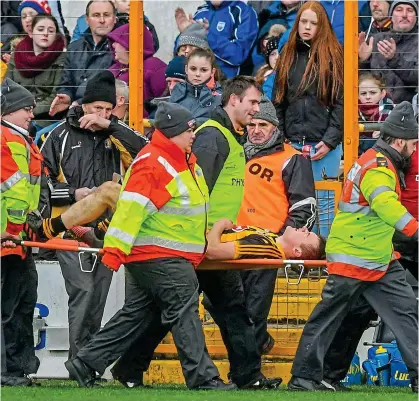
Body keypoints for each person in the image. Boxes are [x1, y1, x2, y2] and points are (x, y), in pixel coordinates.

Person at [63, 102, 235, 391]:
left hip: (158, 254)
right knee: (184, 310)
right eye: (188, 129)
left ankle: (85, 363)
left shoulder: (177, 162)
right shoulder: (156, 163)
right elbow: (131, 210)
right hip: (160, 255)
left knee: (136, 315)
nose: (194, 133)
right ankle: (203, 378)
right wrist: (114, 252)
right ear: (173, 133)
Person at [288, 101, 419, 393]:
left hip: (376, 256)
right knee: (330, 317)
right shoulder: (380, 169)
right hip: (357, 256)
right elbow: (385, 203)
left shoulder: (373, 159)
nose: (413, 150)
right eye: (412, 144)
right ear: (399, 141)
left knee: (405, 310)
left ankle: (313, 377)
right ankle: (305, 377)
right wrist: (414, 229)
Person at [40, 70, 147, 362]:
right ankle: (79, 359)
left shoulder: (116, 134)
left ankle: (85, 363)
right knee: (84, 291)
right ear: (85, 105)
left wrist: (111, 125)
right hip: (69, 229)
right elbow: (41, 181)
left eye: (109, 109)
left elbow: (147, 154)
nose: (102, 114)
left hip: (107, 230)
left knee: (97, 296)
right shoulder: (58, 135)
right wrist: (73, 194)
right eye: (98, 108)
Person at [231, 96, 317, 353]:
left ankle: (250, 367)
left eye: (263, 125)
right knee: (225, 303)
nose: (256, 131)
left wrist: (280, 241)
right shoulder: (236, 153)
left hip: (265, 246)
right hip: (231, 241)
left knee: (255, 308)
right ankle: (257, 345)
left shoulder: (292, 158)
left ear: (275, 128)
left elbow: (304, 206)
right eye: (252, 125)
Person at [273, 1, 344, 236]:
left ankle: (324, 262)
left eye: (313, 23)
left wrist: (331, 140)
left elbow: (341, 102)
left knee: (325, 207)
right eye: (303, 21)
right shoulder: (288, 53)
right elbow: (279, 100)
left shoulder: (335, 55)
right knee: (296, 204)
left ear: (321, 26)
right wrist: (282, 138)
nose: (307, 27)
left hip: (325, 144)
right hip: (291, 143)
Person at [0, 78, 42, 386]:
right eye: (25, 109)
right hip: (9, 237)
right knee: (10, 307)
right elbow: (11, 192)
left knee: (21, 303)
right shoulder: (7, 139)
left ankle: (17, 368)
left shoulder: (20, 138)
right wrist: (15, 229)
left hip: (19, 237)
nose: (31, 113)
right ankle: (7, 370)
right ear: (9, 110)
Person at [49, 0, 116, 117]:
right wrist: (66, 96)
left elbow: (114, 87)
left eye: (106, 15)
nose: (102, 20)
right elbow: (65, 83)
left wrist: (80, 102)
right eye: (96, 15)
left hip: (103, 115)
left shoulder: (120, 49)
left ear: (114, 18)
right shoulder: (75, 47)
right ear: (87, 20)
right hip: (73, 113)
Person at [5, 14, 66, 128]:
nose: (46, 33)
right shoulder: (17, 55)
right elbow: (6, 89)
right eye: (40, 29)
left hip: (45, 119)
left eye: (51, 30)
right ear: (31, 33)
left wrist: (27, 112)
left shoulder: (62, 59)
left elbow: (55, 97)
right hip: (15, 115)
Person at [175, 1, 259, 78]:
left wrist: (208, 35)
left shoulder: (244, 12)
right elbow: (180, 53)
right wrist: (185, 33)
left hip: (227, 86)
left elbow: (238, 55)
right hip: (195, 81)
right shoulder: (201, 12)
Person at [359, 0, 418, 103]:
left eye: (410, 10)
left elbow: (416, 78)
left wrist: (394, 58)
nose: (404, 15)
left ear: (417, 17)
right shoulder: (376, 40)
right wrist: (364, 61)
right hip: (375, 112)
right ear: (391, 16)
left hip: (408, 111)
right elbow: (363, 81)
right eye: (399, 10)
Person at [206, 221, 325, 262]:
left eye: (307, 234)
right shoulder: (271, 237)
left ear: (297, 251)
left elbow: (211, 251)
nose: (304, 229)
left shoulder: (267, 248)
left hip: (193, 246)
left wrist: (220, 224)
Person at [169, 48, 222, 127]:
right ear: (186, 69)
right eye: (193, 69)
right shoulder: (178, 91)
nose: (197, 74)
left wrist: (194, 123)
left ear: (212, 72)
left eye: (203, 70)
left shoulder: (221, 97)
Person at [358, 71, 394, 154]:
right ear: (357, 95)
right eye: (363, 93)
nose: (368, 97)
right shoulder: (353, 109)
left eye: (372, 93)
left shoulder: (389, 109)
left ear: (382, 93)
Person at [254, 36, 281, 100]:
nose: (277, 57)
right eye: (272, 54)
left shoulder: (290, 77)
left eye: (280, 53)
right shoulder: (261, 75)